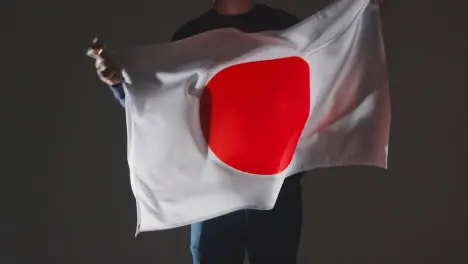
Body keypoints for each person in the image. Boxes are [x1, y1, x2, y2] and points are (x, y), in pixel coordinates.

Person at [87, 1, 385, 263]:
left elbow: (327, 70)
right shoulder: (193, 35)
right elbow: (160, 105)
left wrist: (360, 11)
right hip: (213, 193)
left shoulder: (283, 27)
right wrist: (118, 80)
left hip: (276, 189)